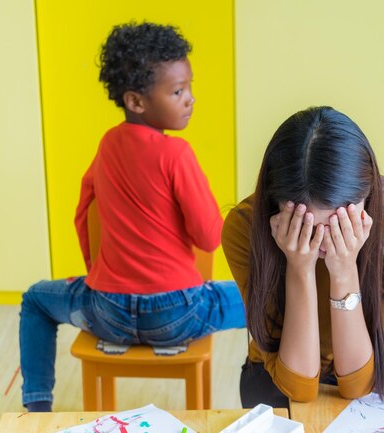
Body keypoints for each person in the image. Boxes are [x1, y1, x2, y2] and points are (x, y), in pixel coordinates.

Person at [19, 22, 245, 412]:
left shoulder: (107, 144)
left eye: (189, 87)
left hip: (107, 313)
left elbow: (82, 215)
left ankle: (36, 410)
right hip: (180, 314)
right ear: (136, 101)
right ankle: (275, 396)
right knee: (268, 294)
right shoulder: (177, 155)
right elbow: (210, 238)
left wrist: (98, 276)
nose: (190, 99)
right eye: (178, 91)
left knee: (36, 299)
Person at [221, 106, 384, 409]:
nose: (326, 238)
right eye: (307, 225)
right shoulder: (245, 227)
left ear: (367, 194)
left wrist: (344, 271)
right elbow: (298, 386)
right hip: (280, 365)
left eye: (338, 222)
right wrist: (299, 267)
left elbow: (360, 385)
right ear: (276, 205)